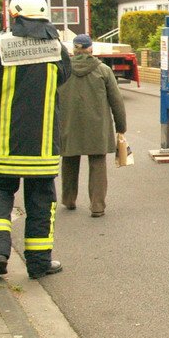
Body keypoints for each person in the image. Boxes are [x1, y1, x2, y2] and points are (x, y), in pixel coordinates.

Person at [0, 0, 70, 279]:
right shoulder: (57, 48)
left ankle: (0, 251)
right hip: (43, 148)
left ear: (13, 15)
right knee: (40, 202)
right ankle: (38, 265)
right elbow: (65, 77)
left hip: (5, 146)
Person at [59, 34, 127, 217]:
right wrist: (121, 127)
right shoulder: (103, 70)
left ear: (74, 49)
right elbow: (116, 100)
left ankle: (68, 199)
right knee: (97, 163)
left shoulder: (63, 70)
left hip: (68, 124)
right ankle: (97, 205)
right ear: (91, 49)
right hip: (97, 126)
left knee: (69, 159)